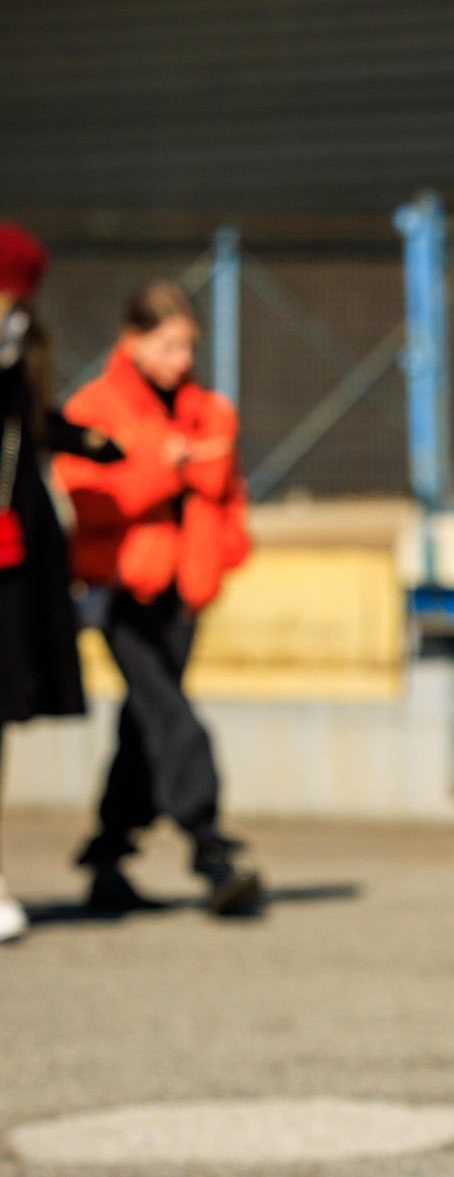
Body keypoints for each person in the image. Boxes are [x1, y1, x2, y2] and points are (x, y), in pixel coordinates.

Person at [55, 281, 260, 916]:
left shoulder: (210, 410)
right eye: (167, 344)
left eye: (187, 345)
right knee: (171, 714)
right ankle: (208, 845)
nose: (180, 358)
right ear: (133, 342)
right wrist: (162, 469)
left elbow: (228, 494)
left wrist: (225, 554)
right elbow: (85, 500)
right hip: (122, 589)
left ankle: (109, 855)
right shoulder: (93, 409)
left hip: (187, 590)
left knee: (146, 720)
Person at [0, 223, 122, 945]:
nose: (14, 311)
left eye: (18, 299)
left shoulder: (22, 354)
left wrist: (88, 443)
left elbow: (35, 426)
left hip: (15, 558)